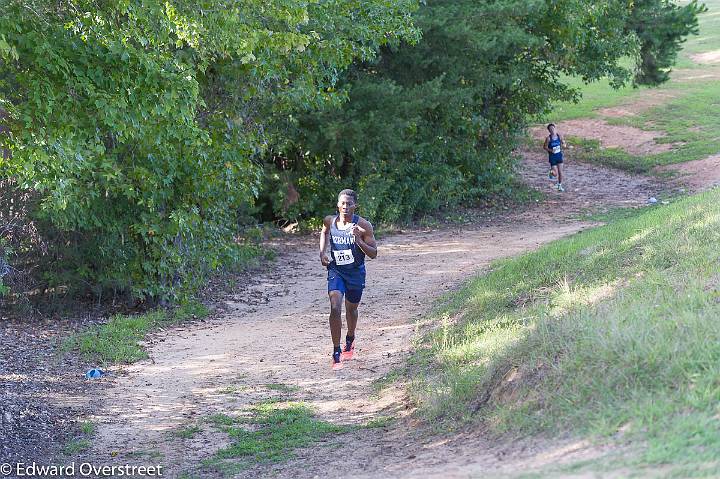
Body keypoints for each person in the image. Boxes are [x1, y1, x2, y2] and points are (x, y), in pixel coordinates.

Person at [319, 189, 378, 370]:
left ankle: (350, 338)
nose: (345, 207)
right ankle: (336, 352)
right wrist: (322, 253)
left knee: (351, 310)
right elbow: (324, 232)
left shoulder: (363, 225)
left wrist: (359, 241)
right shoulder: (330, 220)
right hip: (336, 270)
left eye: (349, 204)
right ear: (338, 204)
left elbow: (374, 253)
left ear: (355, 206)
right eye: (342, 203)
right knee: (335, 307)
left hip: (355, 273)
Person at [543, 123, 567, 192]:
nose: (552, 130)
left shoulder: (559, 136)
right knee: (555, 174)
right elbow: (544, 147)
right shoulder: (548, 139)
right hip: (552, 157)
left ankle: (559, 185)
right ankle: (551, 172)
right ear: (549, 131)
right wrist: (551, 150)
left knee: (560, 172)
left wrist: (564, 144)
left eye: (553, 128)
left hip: (559, 156)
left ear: (555, 129)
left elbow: (563, 142)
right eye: (550, 129)